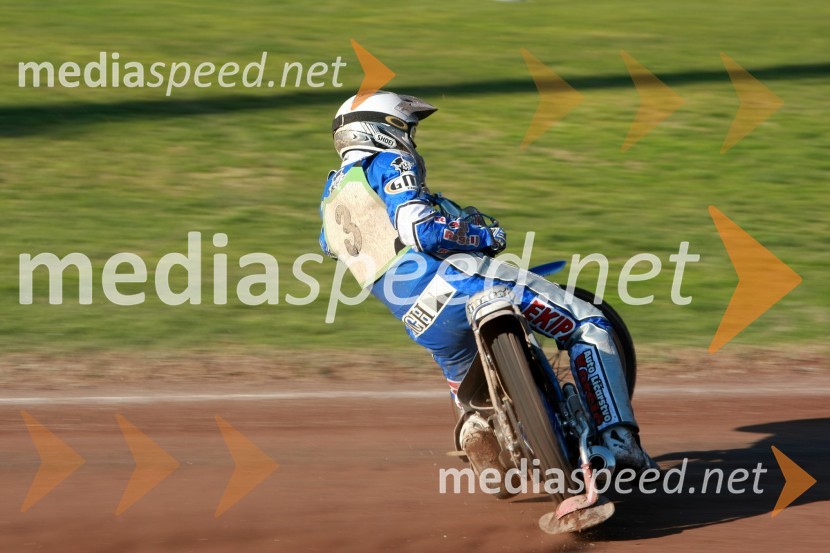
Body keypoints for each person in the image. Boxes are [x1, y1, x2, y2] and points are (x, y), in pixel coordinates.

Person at [319, 91, 654, 489]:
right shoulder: (389, 161)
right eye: (407, 128)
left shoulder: (332, 196)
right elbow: (419, 229)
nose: (411, 138)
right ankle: (620, 443)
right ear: (383, 129)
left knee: (465, 387)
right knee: (589, 324)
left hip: (420, 319)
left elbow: (329, 247)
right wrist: (483, 235)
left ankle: (478, 433)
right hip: (463, 286)